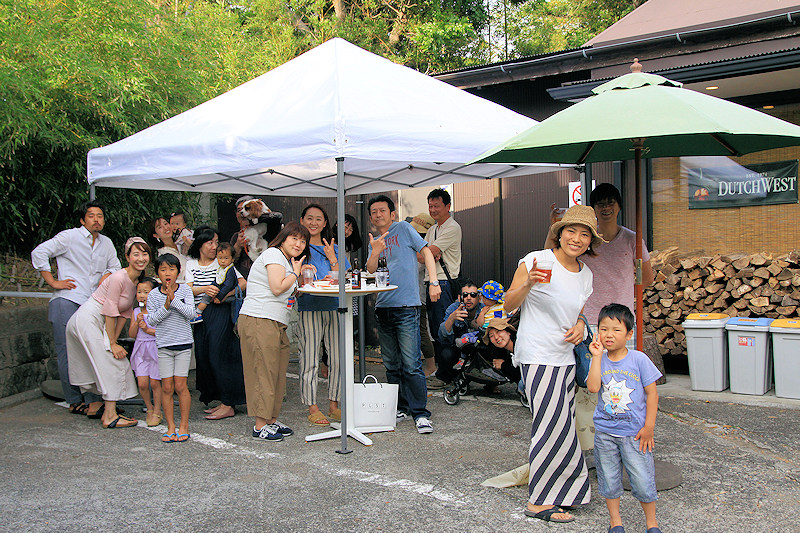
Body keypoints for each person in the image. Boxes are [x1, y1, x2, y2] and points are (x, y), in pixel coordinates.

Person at [503, 204, 603, 523]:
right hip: (537, 355)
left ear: (590, 241)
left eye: (584, 234)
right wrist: (529, 283)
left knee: (564, 427)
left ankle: (568, 491)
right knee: (549, 427)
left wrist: (580, 326)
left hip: (564, 358)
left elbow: (575, 313)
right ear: (559, 234)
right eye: (571, 231)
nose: (576, 238)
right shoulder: (536, 260)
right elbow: (508, 305)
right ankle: (539, 500)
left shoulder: (585, 275)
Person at [547, 184, 655, 452]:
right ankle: (590, 443)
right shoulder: (583, 242)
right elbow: (552, 259)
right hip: (586, 321)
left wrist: (639, 264)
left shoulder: (632, 238)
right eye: (600, 204)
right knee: (588, 385)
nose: (606, 208)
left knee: (623, 383)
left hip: (619, 324)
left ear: (619, 206)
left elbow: (648, 280)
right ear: (593, 209)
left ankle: (625, 438)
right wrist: (555, 228)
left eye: (611, 202)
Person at [31, 200, 120, 416]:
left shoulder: (106, 243)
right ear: (82, 219)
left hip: (91, 303)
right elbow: (39, 253)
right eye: (91, 216)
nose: (96, 220)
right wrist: (52, 282)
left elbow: (115, 266)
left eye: (100, 216)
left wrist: (107, 275)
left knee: (91, 350)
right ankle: (73, 399)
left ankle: (92, 400)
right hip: (67, 299)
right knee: (67, 352)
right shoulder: (69, 237)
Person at [366, 195, 440, 435]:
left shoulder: (404, 228)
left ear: (392, 213)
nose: (378, 215)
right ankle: (401, 407)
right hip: (383, 307)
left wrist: (434, 282)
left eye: (382, 211)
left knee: (411, 364)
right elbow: (370, 270)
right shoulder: (373, 240)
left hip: (407, 306)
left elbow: (427, 252)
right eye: (374, 212)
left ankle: (420, 413)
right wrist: (375, 251)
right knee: (392, 364)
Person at [587, 304, 662, 533]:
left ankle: (652, 523)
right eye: (604, 329)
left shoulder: (639, 360)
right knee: (609, 479)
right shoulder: (599, 360)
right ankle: (615, 521)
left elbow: (652, 394)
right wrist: (597, 357)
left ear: (629, 334)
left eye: (616, 330)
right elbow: (592, 387)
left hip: (635, 434)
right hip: (605, 433)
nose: (609, 334)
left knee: (642, 479)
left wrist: (649, 427)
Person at [65, 237, 150, 428]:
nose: (141, 258)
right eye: (136, 254)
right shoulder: (119, 277)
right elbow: (110, 310)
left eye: (144, 254)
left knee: (106, 361)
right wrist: (111, 343)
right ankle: (110, 416)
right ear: (127, 257)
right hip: (89, 318)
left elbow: (124, 313)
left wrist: (114, 340)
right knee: (113, 362)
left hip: (96, 321)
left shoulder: (136, 281)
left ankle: (97, 407)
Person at [238, 222, 310, 442]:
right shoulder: (273, 254)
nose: (298, 244)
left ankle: (271, 419)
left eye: (302, 241)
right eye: (294, 238)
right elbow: (277, 287)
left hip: (276, 321)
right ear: (283, 238)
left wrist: (301, 278)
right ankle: (260, 425)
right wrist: (297, 272)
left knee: (277, 373)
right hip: (259, 319)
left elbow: (287, 293)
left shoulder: (285, 261)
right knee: (263, 372)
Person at [186, 225, 246, 421]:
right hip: (198, 315)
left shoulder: (223, 263)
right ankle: (221, 399)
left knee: (219, 356)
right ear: (200, 244)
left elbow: (242, 282)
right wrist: (206, 288)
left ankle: (229, 402)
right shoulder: (191, 264)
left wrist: (222, 294)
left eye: (216, 242)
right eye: (210, 242)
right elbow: (187, 289)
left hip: (219, 311)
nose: (214, 247)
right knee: (204, 357)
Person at [297, 204, 349, 426]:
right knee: (309, 358)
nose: (314, 223)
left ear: (325, 223)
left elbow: (345, 276)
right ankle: (312, 407)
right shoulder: (297, 247)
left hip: (335, 306)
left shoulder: (334, 247)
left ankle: (334, 404)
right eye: (309, 218)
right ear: (302, 221)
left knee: (338, 358)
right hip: (309, 306)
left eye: (319, 219)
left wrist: (332, 258)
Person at [147, 253, 196, 444]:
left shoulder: (185, 291)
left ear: (178, 271)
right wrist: (166, 306)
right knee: (166, 387)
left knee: (181, 385)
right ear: (158, 273)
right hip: (164, 346)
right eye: (163, 269)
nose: (167, 273)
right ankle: (171, 427)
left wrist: (173, 300)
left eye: (171, 269)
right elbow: (151, 319)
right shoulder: (152, 294)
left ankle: (184, 426)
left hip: (183, 344)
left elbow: (191, 314)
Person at [421, 189, 462, 386]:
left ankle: (445, 375)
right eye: (430, 206)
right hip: (433, 281)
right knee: (436, 329)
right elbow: (426, 254)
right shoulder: (433, 229)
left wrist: (428, 253)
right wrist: (428, 253)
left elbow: (424, 255)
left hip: (443, 283)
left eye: (437, 206)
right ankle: (442, 371)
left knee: (444, 329)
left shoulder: (452, 227)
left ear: (448, 206)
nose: (433, 209)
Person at [428, 280, 483, 388]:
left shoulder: (484, 309)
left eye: (473, 295)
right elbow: (441, 336)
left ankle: (491, 383)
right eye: (465, 295)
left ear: (479, 298)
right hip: (460, 348)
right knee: (446, 352)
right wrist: (452, 318)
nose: (468, 298)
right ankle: (445, 378)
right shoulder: (454, 308)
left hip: (479, 348)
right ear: (460, 297)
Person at [128, 277, 162, 427]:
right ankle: (149, 407)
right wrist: (137, 323)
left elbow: (162, 332)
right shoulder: (135, 311)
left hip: (154, 348)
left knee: (155, 383)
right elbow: (131, 334)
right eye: (139, 292)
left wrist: (147, 328)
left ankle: (157, 410)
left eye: (146, 292)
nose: (142, 295)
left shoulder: (158, 311)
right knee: (142, 383)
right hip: (140, 349)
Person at [409, 213, 437, 376]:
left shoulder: (425, 249)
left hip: (419, 297)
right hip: (411, 296)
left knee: (421, 331)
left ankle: (431, 365)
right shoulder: (418, 246)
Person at [231, 195, 283, 279]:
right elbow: (229, 261)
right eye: (239, 210)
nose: (242, 213)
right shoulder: (236, 237)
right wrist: (238, 246)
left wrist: (256, 217)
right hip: (244, 283)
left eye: (246, 208)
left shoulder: (269, 230)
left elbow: (277, 217)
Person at [193, 242, 237, 321]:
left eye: (226, 258)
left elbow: (228, 285)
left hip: (227, 296)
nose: (222, 261)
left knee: (206, 298)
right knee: (207, 294)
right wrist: (211, 287)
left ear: (232, 258)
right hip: (219, 293)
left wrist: (219, 297)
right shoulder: (221, 269)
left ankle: (197, 312)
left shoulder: (230, 270)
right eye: (220, 258)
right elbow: (217, 280)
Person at [148, 217, 187, 283]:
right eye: (160, 227)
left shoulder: (181, 242)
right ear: (156, 235)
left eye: (166, 224)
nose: (166, 228)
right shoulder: (164, 254)